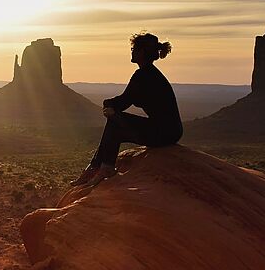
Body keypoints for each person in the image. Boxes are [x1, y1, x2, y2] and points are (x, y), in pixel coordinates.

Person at [71, 32, 183, 186]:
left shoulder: (143, 75)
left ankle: (101, 168)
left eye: (134, 49)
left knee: (115, 122)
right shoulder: (150, 74)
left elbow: (123, 101)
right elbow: (126, 100)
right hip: (169, 131)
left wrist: (107, 104)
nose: (131, 51)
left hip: (164, 133)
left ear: (141, 52)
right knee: (115, 128)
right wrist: (111, 106)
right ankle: (96, 168)